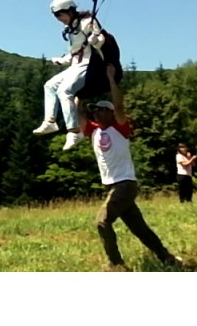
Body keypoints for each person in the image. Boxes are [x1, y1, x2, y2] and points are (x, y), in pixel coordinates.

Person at [75, 64, 182, 270]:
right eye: (94, 110)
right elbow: (78, 111)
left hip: (124, 184)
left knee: (102, 222)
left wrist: (111, 79)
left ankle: (116, 265)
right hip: (112, 186)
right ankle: (167, 258)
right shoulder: (93, 130)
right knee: (139, 228)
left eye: (100, 110)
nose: (95, 113)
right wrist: (81, 88)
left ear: (110, 112)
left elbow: (120, 106)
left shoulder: (120, 127)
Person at [32, 0, 120, 151]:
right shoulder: (71, 30)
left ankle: (74, 131)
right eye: (57, 16)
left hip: (88, 66)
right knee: (50, 85)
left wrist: (96, 40)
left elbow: (100, 41)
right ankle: (50, 121)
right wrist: (60, 60)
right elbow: (75, 53)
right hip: (76, 65)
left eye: (61, 15)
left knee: (64, 91)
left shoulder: (87, 22)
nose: (60, 19)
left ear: (70, 10)